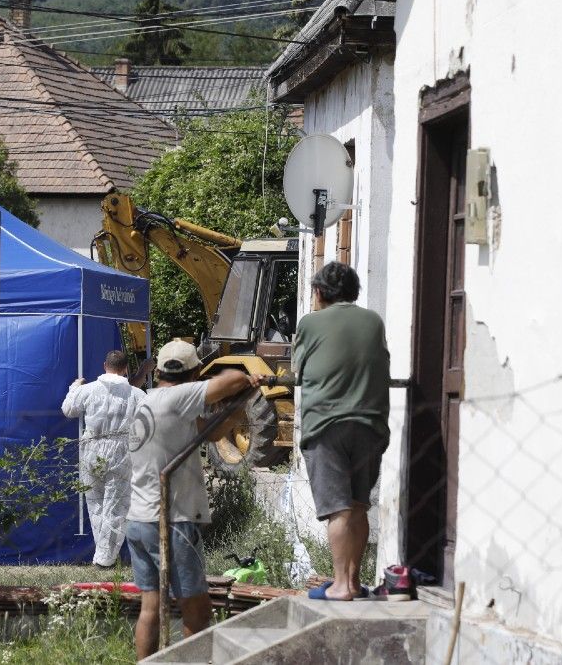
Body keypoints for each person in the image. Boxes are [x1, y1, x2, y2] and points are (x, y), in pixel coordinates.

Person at [126, 340, 258, 659]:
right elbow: (234, 379)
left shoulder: (149, 400)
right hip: (173, 520)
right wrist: (248, 378)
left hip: (140, 519)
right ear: (195, 372)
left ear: (157, 371)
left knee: (151, 607)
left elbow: (208, 432)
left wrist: (236, 409)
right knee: (196, 611)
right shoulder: (180, 396)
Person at [272, 262, 390, 601]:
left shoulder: (310, 323)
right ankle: (354, 581)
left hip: (326, 425)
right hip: (370, 424)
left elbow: (298, 368)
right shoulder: (373, 321)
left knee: (338, 509)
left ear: (319, 293)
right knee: (357, 506)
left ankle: (339, 585)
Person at [61, 350, 147, 568]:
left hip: (91, 447)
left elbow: (68, 409)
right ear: (126, 368)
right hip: (121, 450)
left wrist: (74, 388)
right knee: (116, 505)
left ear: (104, 365)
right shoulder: (137, 395)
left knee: (95, 502)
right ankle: (105, 558)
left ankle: (104, 557)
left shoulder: (88, 390)